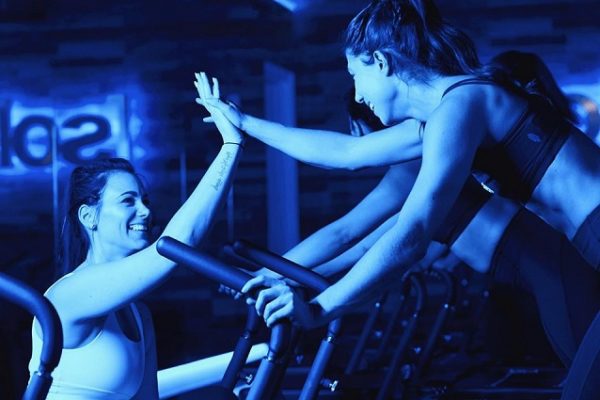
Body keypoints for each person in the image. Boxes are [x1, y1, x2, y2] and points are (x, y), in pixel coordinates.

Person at [197, 72, 599, 370]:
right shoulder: (426, 150)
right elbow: (364, 240)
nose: (360, 93)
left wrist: (287, 281)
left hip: (553, 271)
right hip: (536, 273)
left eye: (360, 79)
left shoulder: (413, 163)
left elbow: (348, 231)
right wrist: (276, 273)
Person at [27, 72, 245, 399]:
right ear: (89, 217)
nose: (144, 211)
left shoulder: (137, 313)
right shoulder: (70, 292)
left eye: (144, 200)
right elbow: (176, 246)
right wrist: (231, 144)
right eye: (128, 201)